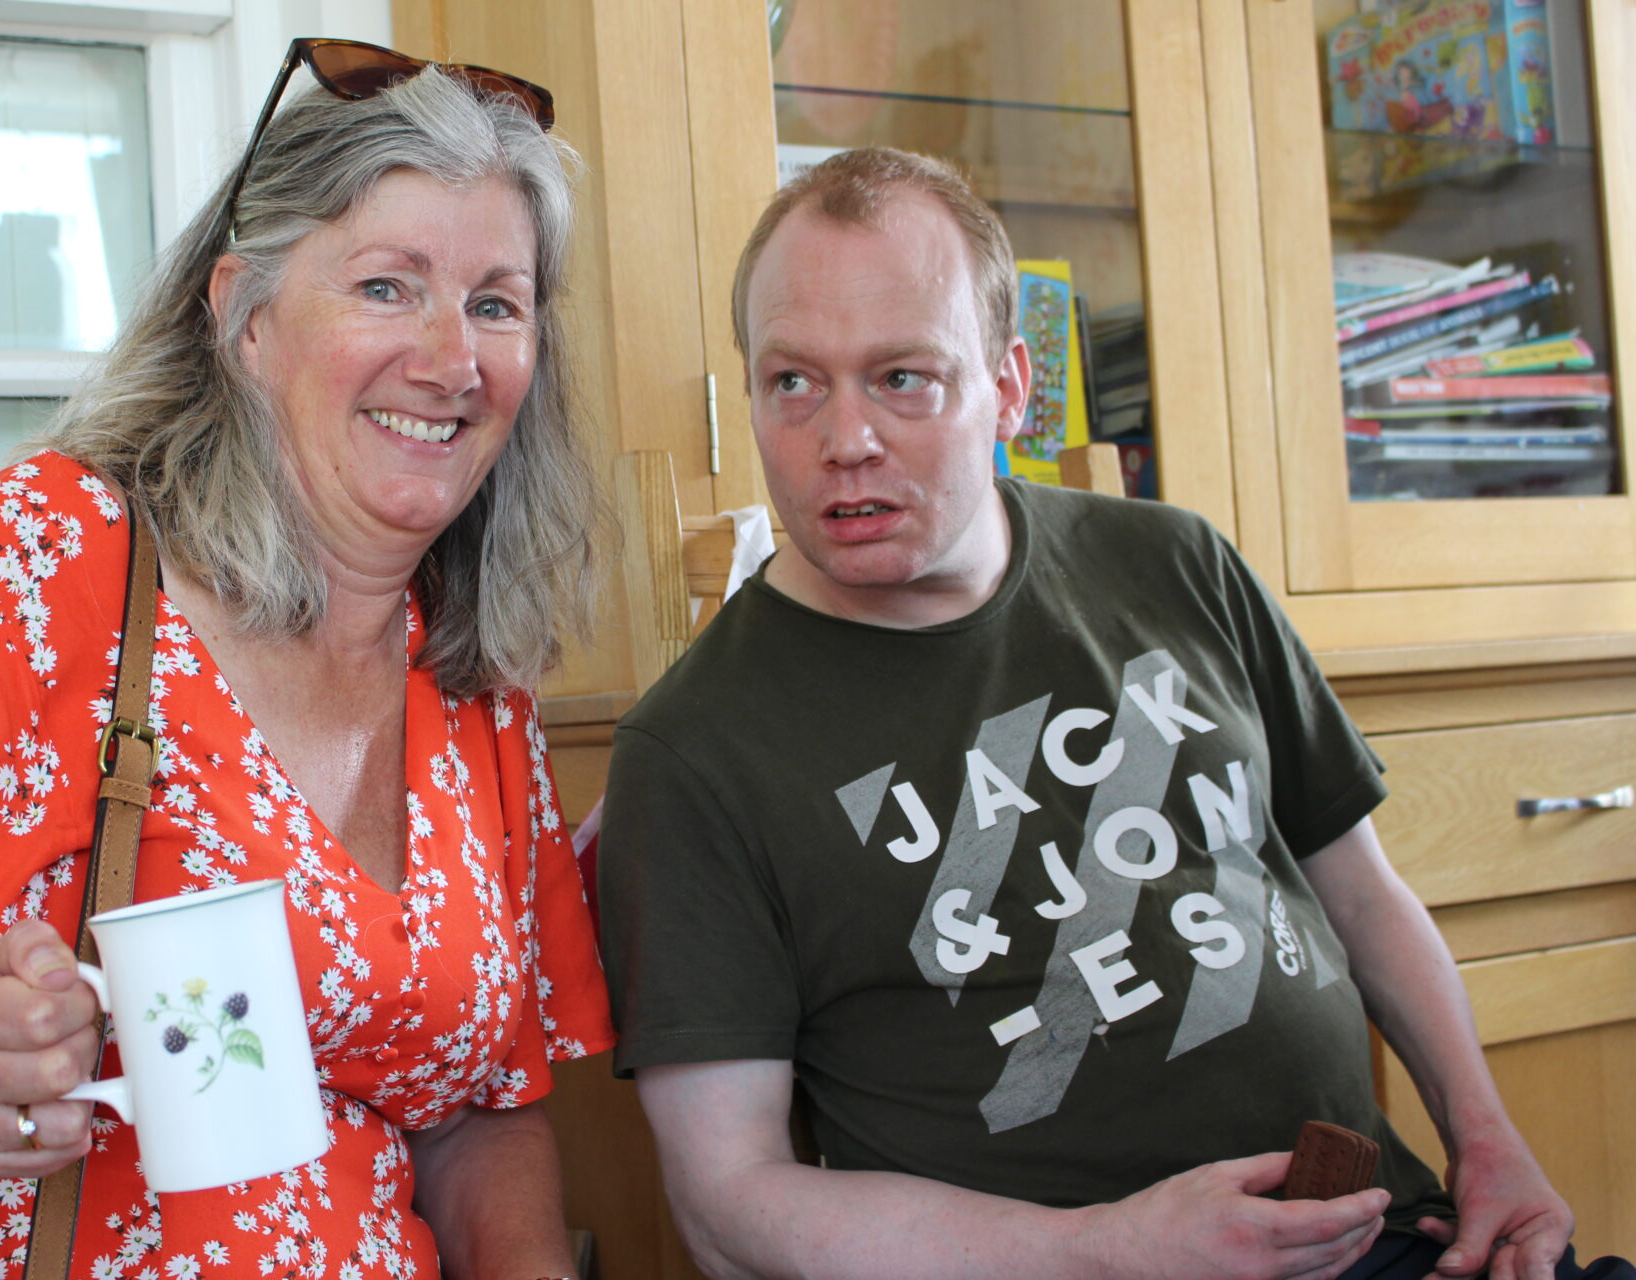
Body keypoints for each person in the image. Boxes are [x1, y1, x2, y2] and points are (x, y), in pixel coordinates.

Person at [597, 147, 1616, 1280]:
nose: (845, 441)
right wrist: (1111, 1248)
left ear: (1011, 388)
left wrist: (1487, 1142)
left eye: (903, 377)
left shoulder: (1178, 562)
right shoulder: (692, 753)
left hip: (1385, 1238)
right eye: (793, 382)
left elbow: (1363, 893)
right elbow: (728, 1205)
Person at [0, 45, 611, 1280]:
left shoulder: (470, 680)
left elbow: (478, 1110)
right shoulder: (38, 566)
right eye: (387, 286)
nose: (453, 359)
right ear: (245, 317)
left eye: (496, 304)